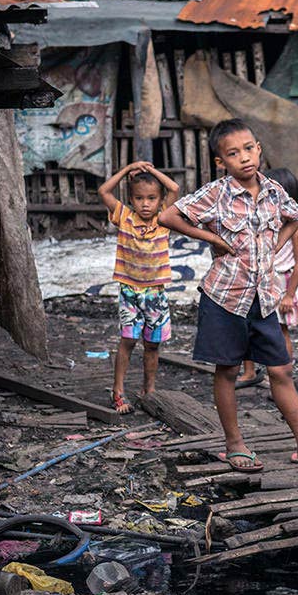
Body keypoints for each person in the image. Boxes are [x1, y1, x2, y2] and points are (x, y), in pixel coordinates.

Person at [158, 118, 298, 472]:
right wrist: (212, 239)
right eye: (233, 153)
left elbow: (296, 216)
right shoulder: (216, 194)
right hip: (225, 297)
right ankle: (235, 444)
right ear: (221, 162)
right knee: (228, 370)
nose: (244, 157)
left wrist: (276, 245)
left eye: (249, 148)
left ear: (259, 149)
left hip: (264, 297)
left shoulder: (275, 191)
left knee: (281, 369)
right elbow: (168, 216)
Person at [97, 160, 180, 415]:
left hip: (156, 293)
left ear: (159, 200)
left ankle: (149, 390)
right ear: (131, 199)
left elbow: (174, 188)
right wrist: (127, 170)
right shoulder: (124, 216)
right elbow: (103, 192)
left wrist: (152, 170)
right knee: (128, 339)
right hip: (130, 291)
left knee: (153, 344)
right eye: (139, 198)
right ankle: (118, 391)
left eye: (152, 198)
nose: (146, 203)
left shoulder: (164, 218)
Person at [236, 167, 298, 392]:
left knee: (279, 331)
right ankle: (249, 372)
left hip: (279, 283)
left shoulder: (295, 227)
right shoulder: (262, 221)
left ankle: (282, 375)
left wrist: (289, 294)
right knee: (246, 326)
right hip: (257, 279)